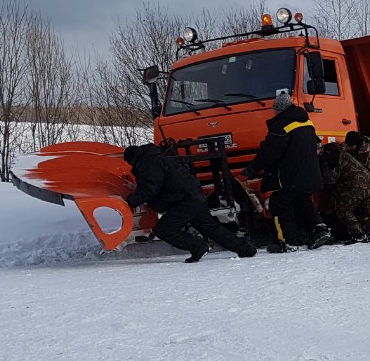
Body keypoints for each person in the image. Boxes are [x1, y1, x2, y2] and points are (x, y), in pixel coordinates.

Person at [123, 144, 257, 262]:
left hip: (184, 200)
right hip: (193, 195)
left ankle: (197, 246)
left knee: (164, 229)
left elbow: (149, 188)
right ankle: (245, 249)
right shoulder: (158, 159)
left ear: (133, 159)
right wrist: (137, 190)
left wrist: (129, 202)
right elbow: (159, 184)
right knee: (210, 228)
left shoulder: (148, 163)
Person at [244, 90, 332, 253]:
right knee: (303, 201)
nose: (274, 112)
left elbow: (269, 152)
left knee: (280, 204)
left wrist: (250, 170)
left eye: (275, 109)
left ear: (280, 109)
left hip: (290, 176)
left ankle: (288, 241)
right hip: (310, 174)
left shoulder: (281, 126)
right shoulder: (307, 122)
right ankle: (320, 229)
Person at [318, 142, 370, 243]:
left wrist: (321, 186)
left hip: (356, 185)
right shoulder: (340, 152)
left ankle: (358, 235)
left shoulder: (330, 156)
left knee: (343, 209)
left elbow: (331, 178)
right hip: (369, 182)